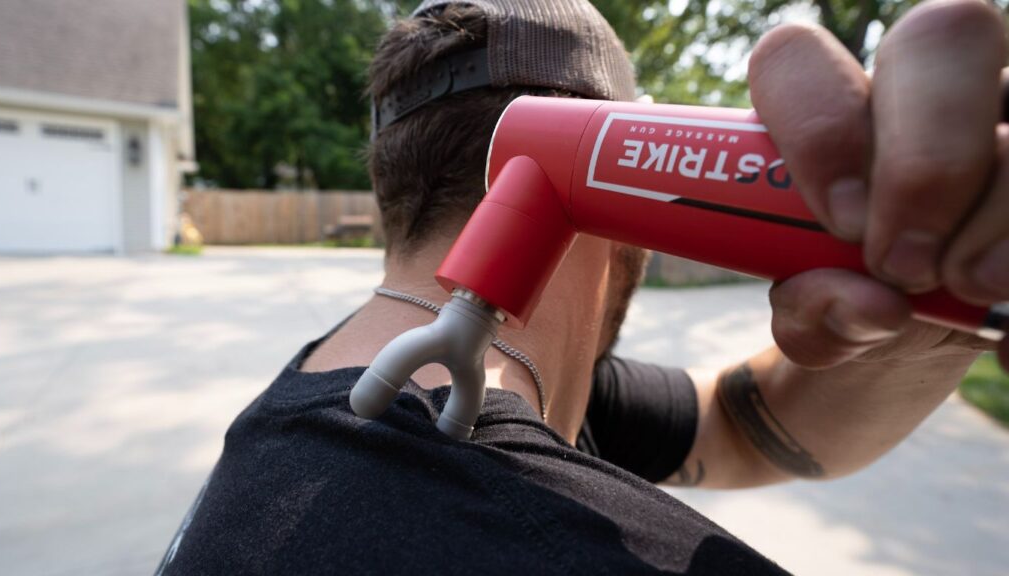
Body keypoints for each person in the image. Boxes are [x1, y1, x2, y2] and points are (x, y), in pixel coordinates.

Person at [156, 0, 1008, 573]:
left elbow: (749, 428)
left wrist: (943, 307)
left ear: (396, 190)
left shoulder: (345, 385)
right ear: (626, 170)